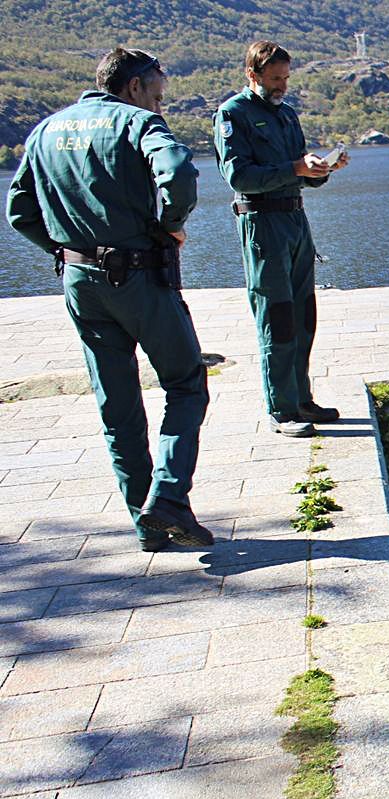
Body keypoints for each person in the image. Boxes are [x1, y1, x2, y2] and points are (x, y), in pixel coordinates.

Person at [6, 47, 213, 551]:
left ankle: (147, 528)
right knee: (186, 384)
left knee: (117, 406)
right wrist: (171, 225)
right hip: (141, 277)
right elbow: (181, 175)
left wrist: (64, 247)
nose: (160, 106)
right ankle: (167, 497)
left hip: (80, 281)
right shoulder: (138, 124)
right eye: (158, 96)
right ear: (136, 86)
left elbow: (19, 212)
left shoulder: (45, 131)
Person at [213, 40, 348, 438]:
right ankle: (282, 409)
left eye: (286, 78)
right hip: (262, 225)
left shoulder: (287, 115)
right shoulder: (232, 114)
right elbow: (238, 177)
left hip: (295, 221)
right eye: (274, 79)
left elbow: (302, 171)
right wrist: (294, 167)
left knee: (304, 315)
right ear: (252, 75)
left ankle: (302, 398)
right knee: (277, 318)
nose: (282, 86)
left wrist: (324, 169)